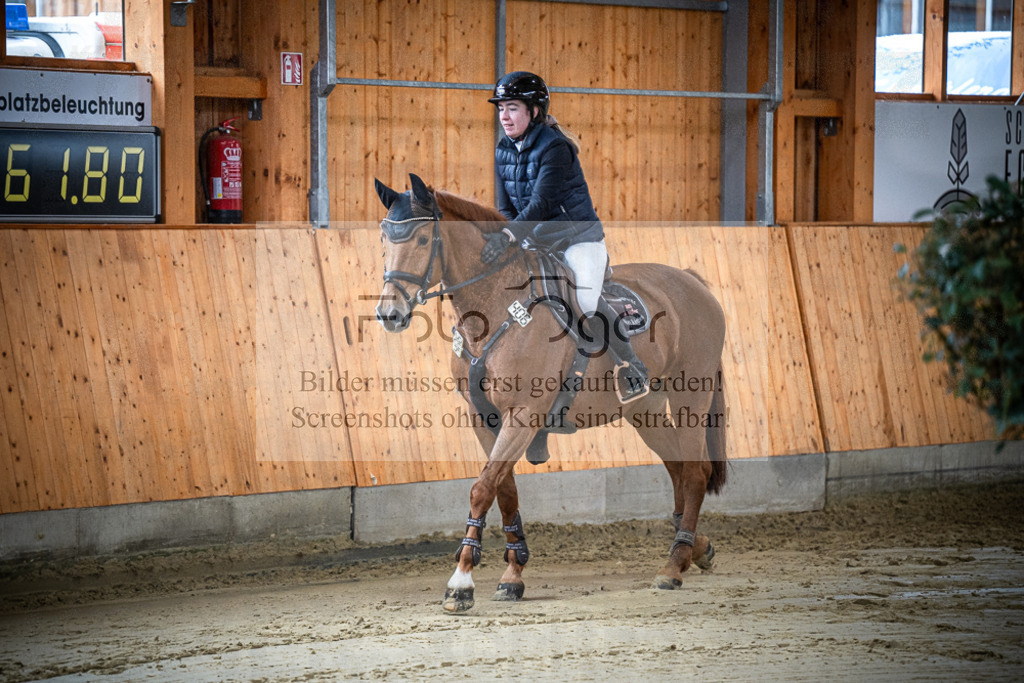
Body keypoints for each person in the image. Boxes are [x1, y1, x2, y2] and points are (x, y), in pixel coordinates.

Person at [480, 71, 649, 403]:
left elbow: (542, 203)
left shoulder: (556, 148)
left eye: (512, 108)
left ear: (534, 111)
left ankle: (632, 366)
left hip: (578, 240)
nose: (504, 116)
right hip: (537, 239)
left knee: (584, 302)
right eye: (501, 108)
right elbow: (505, 206)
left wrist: (511, 236)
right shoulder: (503, 148)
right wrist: (509, 237)